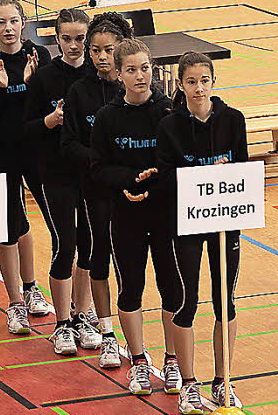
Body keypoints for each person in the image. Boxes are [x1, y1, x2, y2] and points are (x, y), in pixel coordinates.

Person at [157, 51, 247, 413]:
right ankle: (189, 384)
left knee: (225, 301)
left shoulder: (233, 120)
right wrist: (197, 179)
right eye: (191, 81)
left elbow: (242, 168)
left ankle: (223, 380)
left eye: (204, 80)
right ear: (180, 84)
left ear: (214, 81)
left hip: (224, 221)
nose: (198, 87)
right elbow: (165, 177)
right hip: (187, 223)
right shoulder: (170, 126)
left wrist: (227, 173)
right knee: (187, 302)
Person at [91, 38, 181, 396]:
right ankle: (140, 361)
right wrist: (127, 183)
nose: (140, 75)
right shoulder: (107, 118)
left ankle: (172, 360)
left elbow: (179, 158)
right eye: (131, 70)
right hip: (126, 214)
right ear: (119, 74)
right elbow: (98, 168)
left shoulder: (167, 113)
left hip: (165, 212)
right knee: (132, 287)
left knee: (172, 286)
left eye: (145, 68)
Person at [0, 0, 53, 336]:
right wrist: (3, 90)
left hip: (35, 150)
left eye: (13, 22)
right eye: (0, 22)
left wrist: (31, 86)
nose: (7, 28)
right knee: (9, 226)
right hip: (0, 151)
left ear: (23, 23)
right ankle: (15, 302)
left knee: (54, 221)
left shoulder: (40, 56)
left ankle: (37, 289)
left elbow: (45, 107)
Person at [22, 8, 100, 355]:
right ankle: (62, 324)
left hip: (90, 174)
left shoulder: (99, 77)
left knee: (90, 245)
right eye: (65, 38)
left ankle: (83, 315)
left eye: (80, 39)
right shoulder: (44, 78)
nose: (73, 45)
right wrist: (50, 121)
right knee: (64, 244)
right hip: (54, 173)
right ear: (56, 38)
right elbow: (26, 129)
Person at [60, 12, 134, 369]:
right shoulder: (80, 92)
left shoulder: (135, 89)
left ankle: (134, 341)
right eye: (95, 50)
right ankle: (106, 334)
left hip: (134, 194)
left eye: (108, 49)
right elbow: (68, 144)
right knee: (97, 257)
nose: (101, 56)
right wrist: (102, 165)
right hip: (95, 190)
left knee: (130, 267)